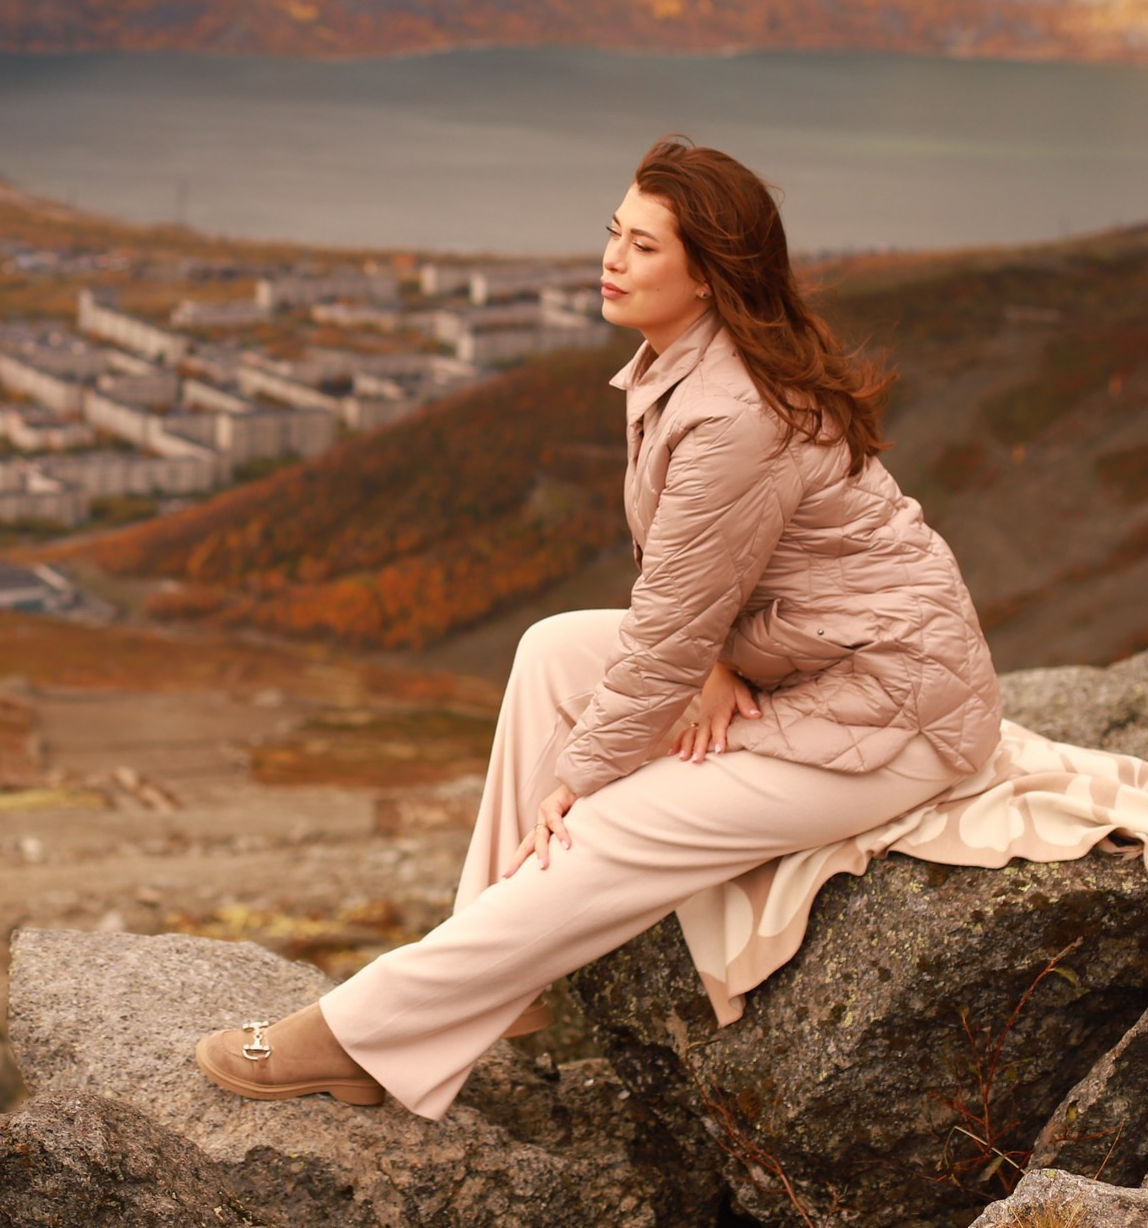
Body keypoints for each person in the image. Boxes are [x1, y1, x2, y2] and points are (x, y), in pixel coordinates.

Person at [193, 135, 1007, 1119]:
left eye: (643, 246)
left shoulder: (731, 412)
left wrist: (581, 775)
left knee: (600, 825)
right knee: (548, 649)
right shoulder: (684, 365)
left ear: (709, 275)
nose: (611, 259)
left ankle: (360, 1034)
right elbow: (692, 583)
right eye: (612, 234)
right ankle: (493, 977)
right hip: (810, 656)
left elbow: (666, 626)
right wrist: (705, 658)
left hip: (888, 708)